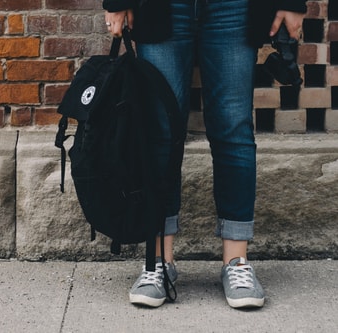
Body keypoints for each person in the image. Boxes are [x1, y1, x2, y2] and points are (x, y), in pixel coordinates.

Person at [103, 0, 307, 308]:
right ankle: (158, 261)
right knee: (161, 131)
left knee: (234, 128)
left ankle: (236, 262)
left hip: (234, 6)